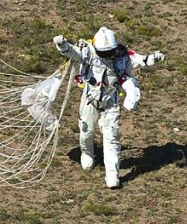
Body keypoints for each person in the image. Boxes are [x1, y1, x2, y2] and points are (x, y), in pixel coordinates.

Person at [53, 27, 164, 188]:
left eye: (109, 53)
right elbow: (72, 52)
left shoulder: (123, 57)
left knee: (112, 138)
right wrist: (62, 45)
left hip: (110, 102)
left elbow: (141, 60)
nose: (106, 56)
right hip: (90, 100)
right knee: (86, 130)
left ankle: (112, 174)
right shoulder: (89, 51)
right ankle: (87, 153)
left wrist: (154, 58)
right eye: (103, 53)